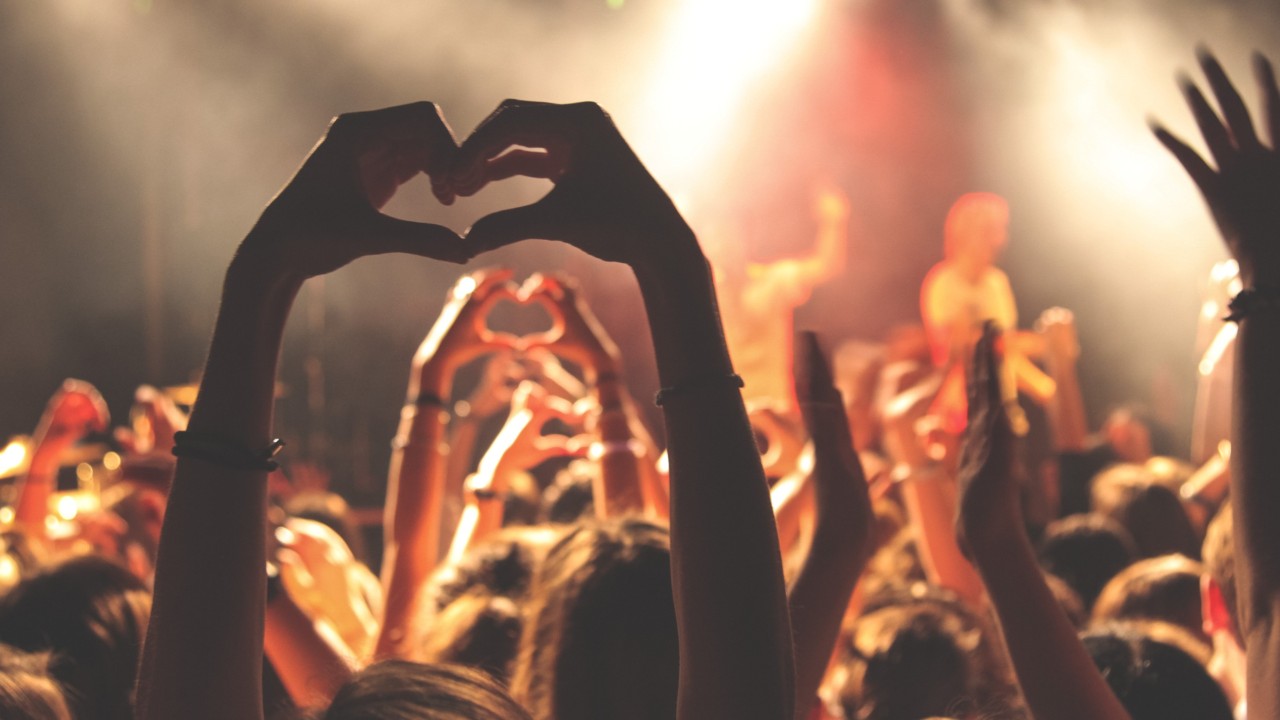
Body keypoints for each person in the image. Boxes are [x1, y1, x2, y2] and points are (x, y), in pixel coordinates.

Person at [920, 192, 1054, 436]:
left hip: (1003, 413)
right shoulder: (943, 283)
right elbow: (968, 349)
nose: (1002, 239)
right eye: (993, 230)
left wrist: (1043, 386)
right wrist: (1040, 344)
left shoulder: (997, 283)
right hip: (962, 420)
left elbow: (1006, 353)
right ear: (969, 233)